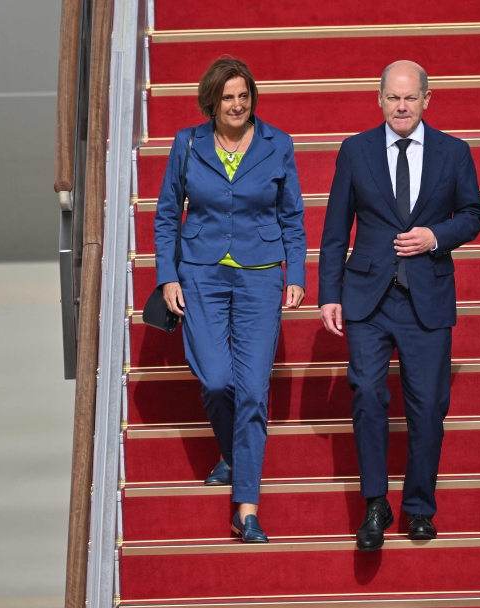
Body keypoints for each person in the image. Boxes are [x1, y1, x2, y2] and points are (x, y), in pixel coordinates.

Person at [317, 60, 480, 550]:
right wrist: (330, 292)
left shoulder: (454, 153)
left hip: (427, 297)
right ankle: (375, 504)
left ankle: (418, 508)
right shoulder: (355, 151)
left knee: (428, 406)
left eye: (410, 97)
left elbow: (474, 214)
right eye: (393, 97)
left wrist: (437, 235)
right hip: (368, 298)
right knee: (367, 396)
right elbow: (335, 230)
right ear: (379, 99)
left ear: (427, 100)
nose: (401, 106)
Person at [154, 57, 306, 543]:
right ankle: (231, 455)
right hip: (200, 273)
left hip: (261, 275)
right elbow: (164, 217)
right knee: (218, 381)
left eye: (244, 96)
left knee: (253, 391)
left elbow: (293, 218)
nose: (237, 105)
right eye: (228, 97)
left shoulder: (277, 143)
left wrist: (296, 273)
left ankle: (247, 508)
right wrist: (167, 277)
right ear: (212, 101)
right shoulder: (188, 143)